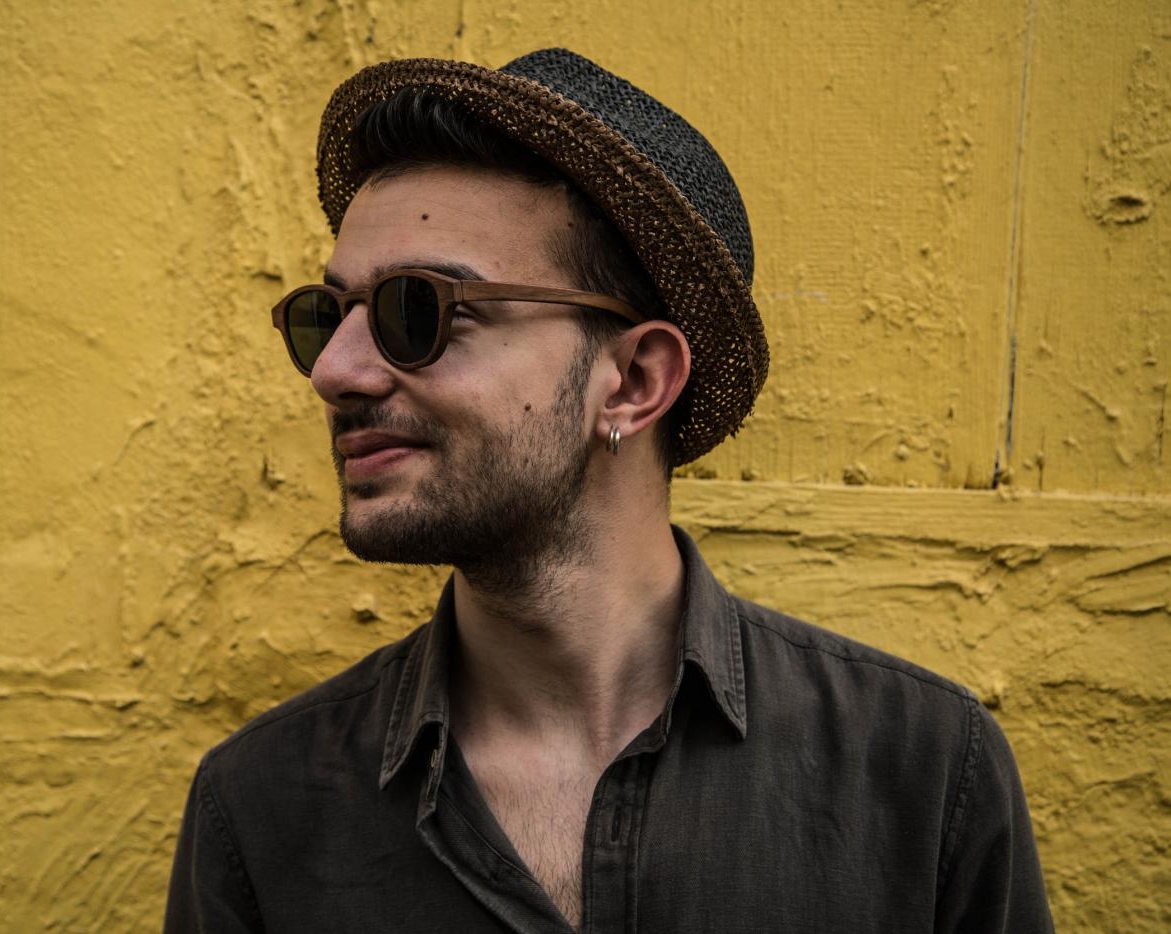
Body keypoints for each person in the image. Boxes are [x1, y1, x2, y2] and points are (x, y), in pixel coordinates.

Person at [164, 49, 1053, 933]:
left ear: (633, 381)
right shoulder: (260, 811)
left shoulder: (922, 776)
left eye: (417, 310)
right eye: (327, 317)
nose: (335, 371)